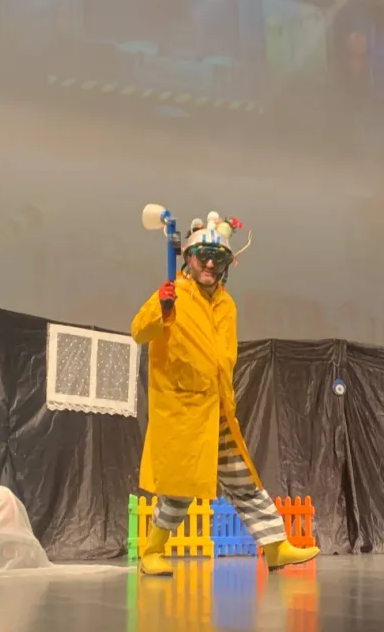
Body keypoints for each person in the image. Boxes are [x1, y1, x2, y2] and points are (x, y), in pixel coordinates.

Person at [130, 213, 319, 577]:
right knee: (178, 488)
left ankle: (275, 547)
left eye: (217, 258)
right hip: (183, 410)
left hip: (217, 410)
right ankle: (152, 552)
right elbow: (139, 331)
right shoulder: (172, 294)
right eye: (203, 256)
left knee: (244, 481)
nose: (210, 264)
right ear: (189, 257)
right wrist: (160, 307)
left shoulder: (227, 305)